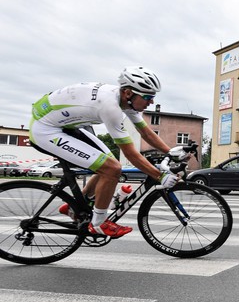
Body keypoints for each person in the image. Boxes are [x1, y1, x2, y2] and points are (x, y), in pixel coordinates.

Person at [29, 66, 188, 238]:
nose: (150, 102)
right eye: (148, 97)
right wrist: (160, 176)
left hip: (65, 125)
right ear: (128, 92)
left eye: (153, 97)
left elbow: (145, 132)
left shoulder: (126, 100)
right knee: (112, 168)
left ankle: (73, 206)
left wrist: (170, 151)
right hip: (46, 130)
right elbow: (130, 153)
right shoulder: (110, 107)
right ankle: (98, 224)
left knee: (108, 162)